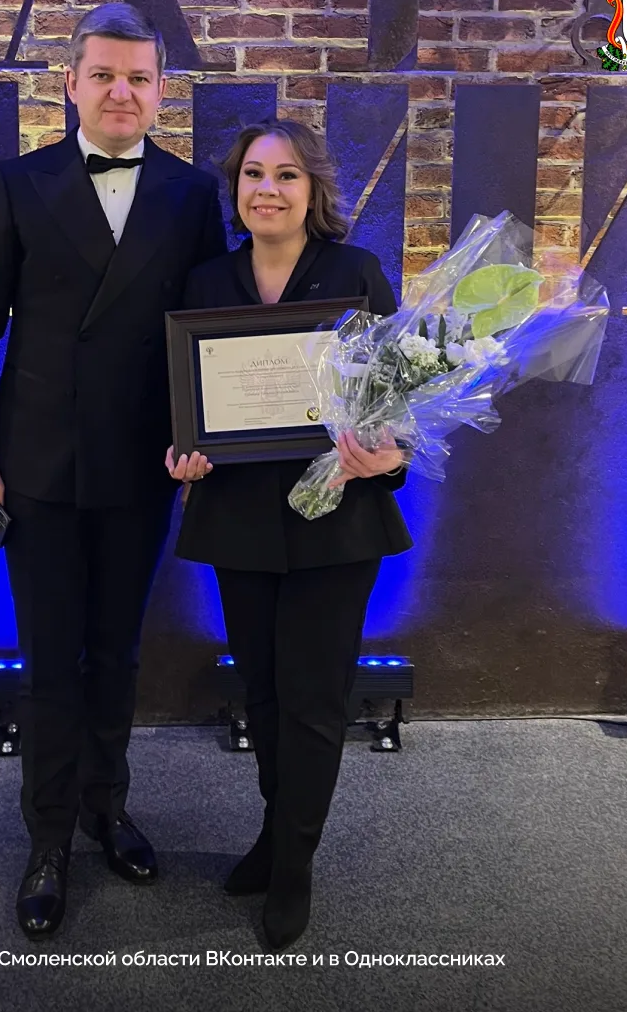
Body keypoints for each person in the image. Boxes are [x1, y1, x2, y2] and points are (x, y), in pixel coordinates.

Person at [0, 3, 226, 940]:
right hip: (37, 468)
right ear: (69, 83)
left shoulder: (192, 193)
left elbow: (205, 331)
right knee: (50, 664)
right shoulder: (17, 182)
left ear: (160, 91)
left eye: (139, 78)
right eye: (103, 74)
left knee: (117, 655)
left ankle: (109, 808)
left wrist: (203, 436)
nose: (121, 92)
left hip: (141, 465)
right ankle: (48, 839)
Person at [166, 120, 413, 951]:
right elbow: (183, 402)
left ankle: (295, 862)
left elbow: (397, 405)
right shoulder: (207, 281)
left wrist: (388, 455)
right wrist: (182, 452)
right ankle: (276, 833)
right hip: (238, 519)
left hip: (337, 519)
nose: (266, 189)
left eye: (285, 175)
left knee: (312, 699)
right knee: (264, 694)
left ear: (314, 192)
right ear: (235, 189)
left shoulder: (355, 273)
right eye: (252, 175)